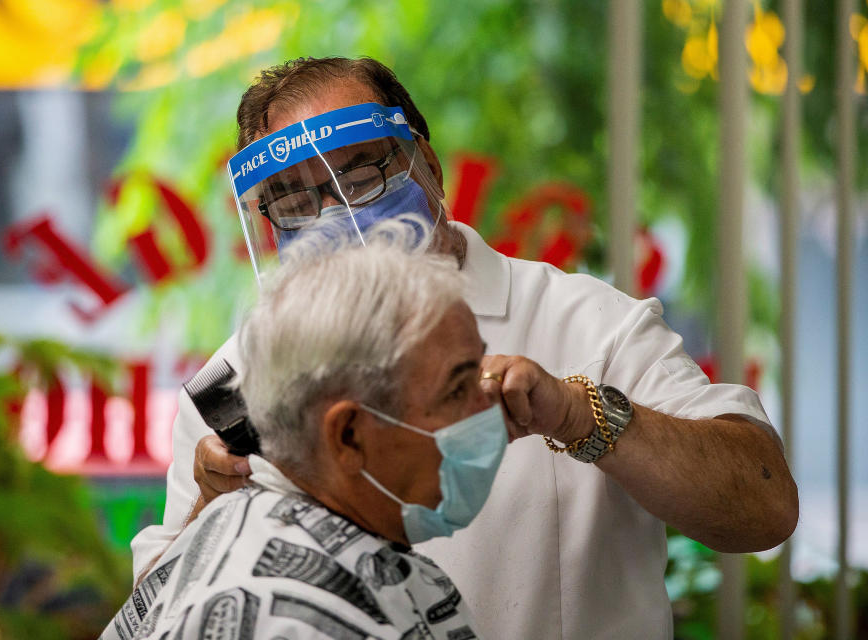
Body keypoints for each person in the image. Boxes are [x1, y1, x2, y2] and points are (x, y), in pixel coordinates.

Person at [131, 57, 798, 639]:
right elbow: (154, 622)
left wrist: (577, 414)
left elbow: (765, 509)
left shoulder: (588, 323)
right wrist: (213, 513)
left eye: (358, 175)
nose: (333, 216)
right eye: (294, 200)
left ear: (428, 167)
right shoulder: (235, 385)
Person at [104, 224, 502, 639]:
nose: (489, 401)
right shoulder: (284, 622)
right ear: (349, 435)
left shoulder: (356, 554)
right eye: (457, 388)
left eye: (480, 372)